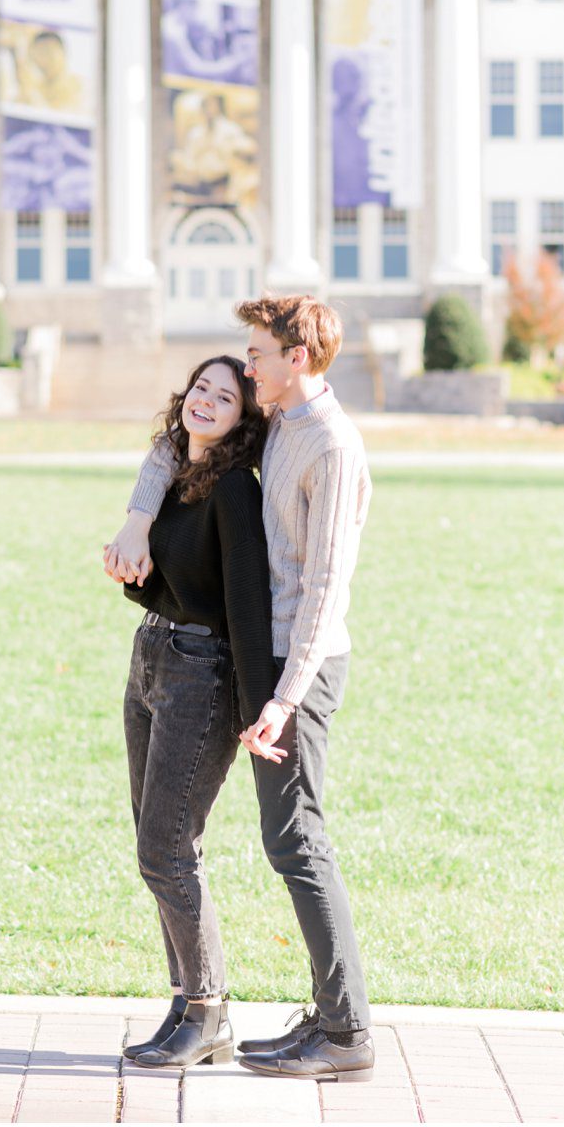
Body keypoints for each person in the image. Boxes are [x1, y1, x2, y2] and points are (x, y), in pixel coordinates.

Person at [107, 294, 377, 1084]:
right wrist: (133, 517)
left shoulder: (329, 443)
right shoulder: (281, 420)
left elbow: (324, 587)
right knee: (272, 840)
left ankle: (346, 1029)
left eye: (257, 353)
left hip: (299, 665)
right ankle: (314, 1020)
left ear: (297, 357)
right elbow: (176, 445)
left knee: (297, 840)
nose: (247, 364)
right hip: (264, 665)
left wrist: (283, 699)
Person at [118, 355, 276, 1069]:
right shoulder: (175, 474)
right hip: (151, 657)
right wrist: (131, 562)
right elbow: (167, 579)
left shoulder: (234, 492)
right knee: (157, 844)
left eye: (226, 396)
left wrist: (258, 702)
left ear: (244, 420)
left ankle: (208, 1008)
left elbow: (245, 598)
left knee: (167, 847)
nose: (207, 401)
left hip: (202, 673)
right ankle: (186, 1000)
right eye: (201, 389)